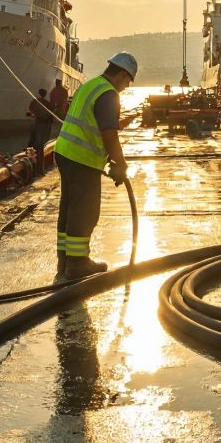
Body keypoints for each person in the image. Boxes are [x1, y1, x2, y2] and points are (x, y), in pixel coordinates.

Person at [53, 52, 138, 279]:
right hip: (81, 159)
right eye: (128, 81)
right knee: (86, 212)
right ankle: (78, 264)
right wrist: (121, 163)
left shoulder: (89, 85)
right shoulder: (108, 94)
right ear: (121, 75)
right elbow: (109, 134)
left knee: (69, 209)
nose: (125, 87)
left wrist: (109, 157)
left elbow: (89, 125)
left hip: (64, 153)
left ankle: (64, 260)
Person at [26, 88, 53, 172]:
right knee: (39, 147)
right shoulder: (48, 104)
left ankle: (34, 168)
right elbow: (50, 115)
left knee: (32, 145)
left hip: (36, 124)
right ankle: (39, 169)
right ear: (45, 94)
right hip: (43, 126)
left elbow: (31, 111)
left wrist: (34, 114)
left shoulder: (34, 101)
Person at [48, 78, 70, 171]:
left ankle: (58, 138)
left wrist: (54, 109)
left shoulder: (53, 91)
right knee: (63, 126)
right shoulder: (64, 90)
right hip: (63, 111)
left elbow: (52, 101)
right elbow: (66, 99)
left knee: (57, 127)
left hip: (56, 111)